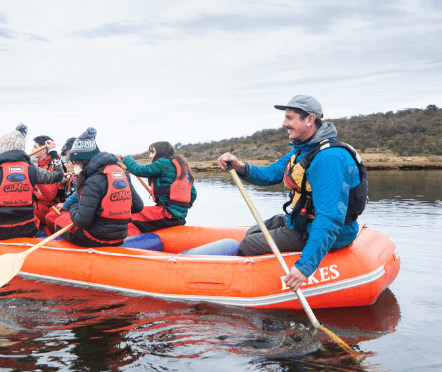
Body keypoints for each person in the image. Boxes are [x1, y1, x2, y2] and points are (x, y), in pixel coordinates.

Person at [217, 95, 368, 292]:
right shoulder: (303, 151)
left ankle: (241, 286)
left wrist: (304, 268)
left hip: (328, 232)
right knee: (254, 231)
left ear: (310, 119)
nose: (284, 124)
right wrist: (240, 166)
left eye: (289, 118)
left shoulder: (328, 158)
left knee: (249, 243)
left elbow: (329, 218)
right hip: (304, 222)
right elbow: (270, 174)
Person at [0, 124, 64, 240]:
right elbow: (58, 175)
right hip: (28, 228)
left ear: (2, 150)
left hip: (0, 230)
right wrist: (53, 151)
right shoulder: (31, 169)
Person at [55, 127, 144, 247]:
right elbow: (138, 206)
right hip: (121, 236)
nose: (74, 166)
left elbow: (82, 221)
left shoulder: (91, 181)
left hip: (97, 237)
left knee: (58, 221)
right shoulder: (121, 172)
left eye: (75, 162)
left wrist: (74, 207)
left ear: (83, 161)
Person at [118, 141, 197, 233]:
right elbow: (193, 194)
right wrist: (180, 210)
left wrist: (126, 158)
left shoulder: (162, 163)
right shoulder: (182, 167)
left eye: (152, 152)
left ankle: (128, 244)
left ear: (160, 152)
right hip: (180, 217)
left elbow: (138, 170)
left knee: (127, 218)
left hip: (166, 214)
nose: (150, 156)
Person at [44, 137, 78, 235]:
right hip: (77, 206)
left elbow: (81, 191)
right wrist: (65, 182)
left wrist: (53, 151)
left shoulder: (85, 169)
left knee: (51, 217)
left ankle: (59, 240)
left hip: (80, 209)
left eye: (67, 154)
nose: (67, 159)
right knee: (50, 212)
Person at [31, 135, 64, 231]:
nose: (32, 149)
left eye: (35, 147)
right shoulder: (39, 165)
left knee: (23, 212)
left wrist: (37, 178)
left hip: (49, 206)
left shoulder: (54, 165)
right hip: (37, 203)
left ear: (44, 150)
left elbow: (50, 196)